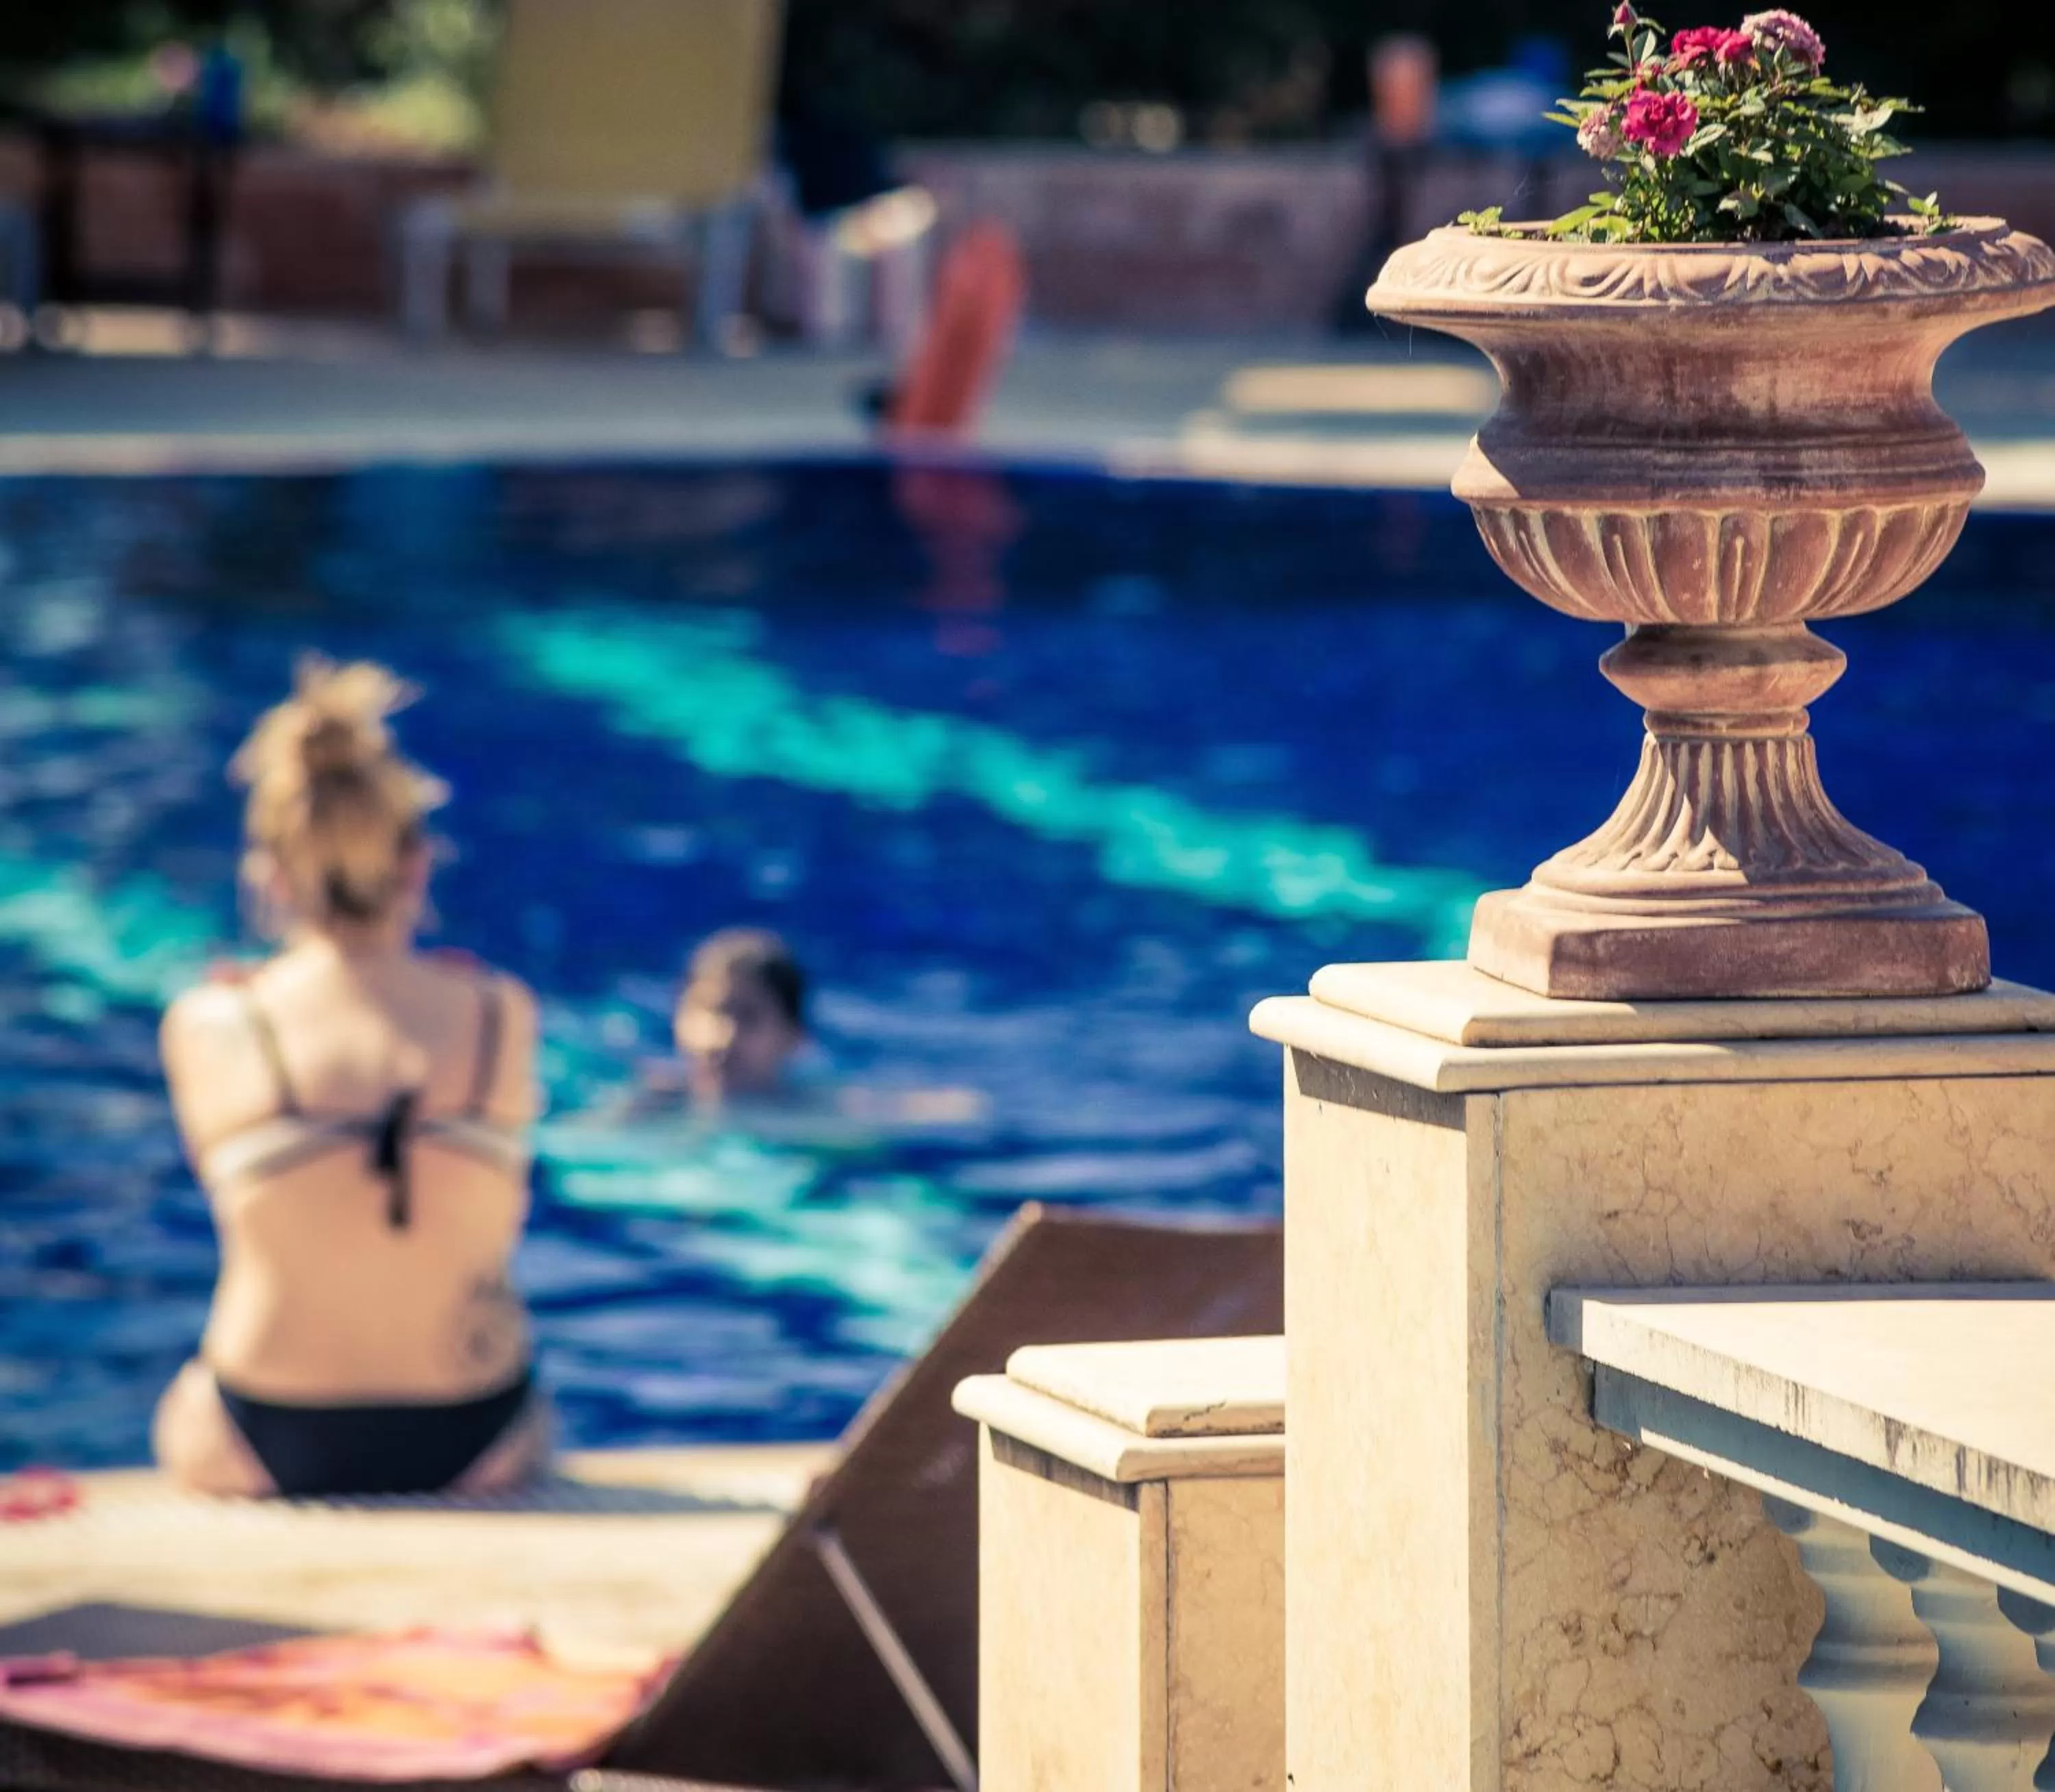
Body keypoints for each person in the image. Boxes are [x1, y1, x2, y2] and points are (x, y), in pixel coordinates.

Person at [152, 658, 545, 1498]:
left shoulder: (214, 1023)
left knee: (181, 1413)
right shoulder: (497, 1013)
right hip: (477, 1428)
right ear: (418, 864)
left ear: (271, 875)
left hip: (257, 1430)